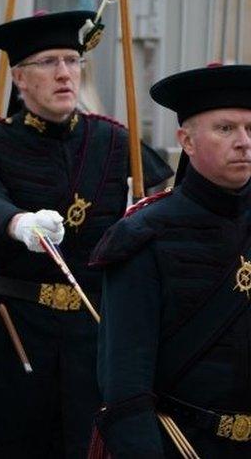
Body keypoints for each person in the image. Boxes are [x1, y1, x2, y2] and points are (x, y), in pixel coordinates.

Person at [0, 10, 173, 458]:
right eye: (48, 62)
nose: (65, 73)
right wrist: (17, 223)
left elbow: (156, 209)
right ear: (20, 79)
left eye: (72, 60)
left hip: (92, 335)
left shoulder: (115, 142)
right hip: (16, 333)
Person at [90, 64, 251, 458]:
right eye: (225, 128)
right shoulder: (144, 236)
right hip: (179, 443)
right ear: (187, 141)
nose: (244, 142)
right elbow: (125, 386)